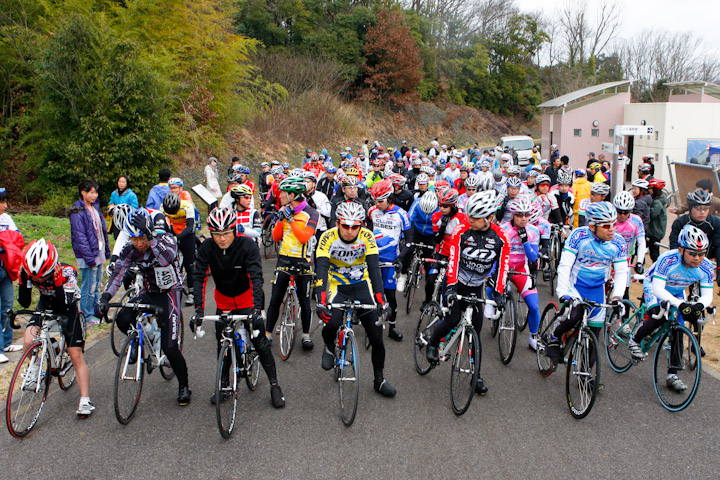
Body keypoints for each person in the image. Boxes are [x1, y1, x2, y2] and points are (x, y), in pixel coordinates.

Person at [96, 208, 191, 405]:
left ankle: (184, 385)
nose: (139, 244)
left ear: (148, 233)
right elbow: (118, 274)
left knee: (170, 347)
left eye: (142, 239)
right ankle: (146, 336)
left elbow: (167, 258)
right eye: (134, 239)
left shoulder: (165, 239)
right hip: (149, 293)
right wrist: (105, 297)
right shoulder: (130, 249)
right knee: (123, 318)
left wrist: (151, 238)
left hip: (169, 294)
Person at [192, 207, 285, 407]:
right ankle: (224, 384)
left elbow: (256, 277)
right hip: (224, 300)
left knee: (259, 342)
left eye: (226, 233)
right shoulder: (207, 247)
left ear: (235, 230)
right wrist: (198, 310)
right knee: (222, 342)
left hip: (247, 298)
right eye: (217, 234)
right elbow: (199, 278)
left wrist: (256, 309)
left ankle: (274, 385)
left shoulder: (247, 245)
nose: (222, 239)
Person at [425, 190, 510, 396]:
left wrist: (498, 294)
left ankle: (476, 375)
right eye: (469, 215)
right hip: (457, 281)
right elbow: (453, 260)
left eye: (476, 217)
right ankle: (433, 344)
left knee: (476, 333)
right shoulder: (462, 231)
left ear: (490, 218)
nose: (470, 219)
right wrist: (451, 287)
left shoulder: (500, 237)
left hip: (477, 285)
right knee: (453, 319)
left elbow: (502, 267)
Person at [315, 201, 396, 397]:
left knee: (377, 337)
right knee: (331, 323)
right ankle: (328, 346)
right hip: (338, 287)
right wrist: (321, 300)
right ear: (337, 223)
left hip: (362, 286)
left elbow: (374, 268)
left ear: (362, 225)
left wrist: (381, 300)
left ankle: (379, 380)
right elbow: (322, 269)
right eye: (345, 225)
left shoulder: (367, 237)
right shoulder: (327, 237)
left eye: (355, 226)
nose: (350, 231)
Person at [627, 225, 713, 391]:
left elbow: (707, 295)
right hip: (655, 286)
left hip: (677, 291)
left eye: (702, 254)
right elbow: (658, 289)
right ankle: (635, 340)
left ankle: (672, 374)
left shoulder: (706, 267)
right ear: (681, 250)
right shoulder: (668, 259)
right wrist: (681, 304)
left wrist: (698, 306)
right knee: (659, 315)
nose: (698, 258)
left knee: (678, 328)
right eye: (693, 254)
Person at [19, 239, 94, 416]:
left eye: (42, 276)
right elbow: (25, 302)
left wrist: (58, 284)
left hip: (67, 309)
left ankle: (85, 400)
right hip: (44, 306)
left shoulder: (68, 272)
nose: (38, 279)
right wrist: (24, 282)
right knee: (29, 340)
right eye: (34, 276)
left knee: (75, 355)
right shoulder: (28, 272)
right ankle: (36, 364)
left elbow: (63, 304)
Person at [547, 202, 627, 359]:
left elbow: (622, 271)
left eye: (613, 224)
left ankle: (586, 376)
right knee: (574, 316)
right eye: (606, 226)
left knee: (594, 335)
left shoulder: (618, 242)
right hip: (575, 286)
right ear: (592, 227)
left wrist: (617, 297)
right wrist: (563, 293)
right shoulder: (578, 236)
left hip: (597, 289)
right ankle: (554, 336)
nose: (612, 229)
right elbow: (565, 266)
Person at [265, 177, 318, 349]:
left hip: (303, 261)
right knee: (275, 299)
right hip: (284, 259)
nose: (279, 196)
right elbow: (275, 237)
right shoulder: (283, 210)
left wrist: (292, 220)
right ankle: (267, 333)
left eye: (282, 193)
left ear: (292, 195)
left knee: (304, 299)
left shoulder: (312, 213)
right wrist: (281, 219)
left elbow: (303, 238)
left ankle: (306, 335)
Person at [368, 180, 412, 340]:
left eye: (380, 201)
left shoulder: (402, 214)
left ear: (389, 198)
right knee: (370, 292)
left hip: (390, 260)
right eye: (375, 200)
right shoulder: (372, 211)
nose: (377, 204)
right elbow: (366, 231)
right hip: (372, 257)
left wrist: (401, 258)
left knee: (390, 296)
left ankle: (392, 326)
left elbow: (409, 240)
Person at [498, 198, 541, 349]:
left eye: (526, 214)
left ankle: (533, 337)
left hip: (521, 269)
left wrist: (525, 241)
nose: (523, 218)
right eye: (519, 215)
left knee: (534, 307)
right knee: (491, 290)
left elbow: (533, 257)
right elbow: (496, 254)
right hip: (503, 268)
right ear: (513, 215)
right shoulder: (503, 229)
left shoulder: (533, 231)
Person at [68, 179, 110, 324]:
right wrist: (88, 256)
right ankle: (86, 314)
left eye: (95, 192)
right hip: (87, 254)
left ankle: (95, 311)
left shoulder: (95, 208)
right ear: (83, 193)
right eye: (91, 192)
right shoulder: (77, 211)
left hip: (98, 250)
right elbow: (80, 236)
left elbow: (102, 231)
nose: (94, 195)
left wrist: (107, 250)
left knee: (97, 283)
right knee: (88, 285)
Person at [424, 188, 468, 309]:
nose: (441, 208)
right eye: (440, 205)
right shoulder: (436, 216)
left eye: (445, 206)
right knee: (430, 280)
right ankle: (427, 301)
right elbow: (437, 239)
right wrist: (443, 225)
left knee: (451, 284)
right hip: (441, 252)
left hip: (456, 254)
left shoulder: (463, 218)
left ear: (453, 206)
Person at [669, 189, 720, 285]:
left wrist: (719, 269)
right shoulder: (680, 222)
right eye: (698, 208)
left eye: (706, 208)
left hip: (704, 262)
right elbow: (673, 246)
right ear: (691, 208)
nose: (703, 212)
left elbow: (719, 247)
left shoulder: (715, 223)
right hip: (683, 263)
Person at [0, 189, 23, 361]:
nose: (5, 205)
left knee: (7, 306)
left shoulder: (6, 219)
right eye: (1, 202)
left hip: (6, 268)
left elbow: (17, 239)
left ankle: (7, 342)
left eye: (5, 201)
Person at [161, 193, 196, 305]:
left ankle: (192, 292)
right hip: (174, 231)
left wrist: (178, 238)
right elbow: (163, 226)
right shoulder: (162, 208)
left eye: (175, 211)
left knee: (189, 263)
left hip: (187, 233)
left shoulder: (187, 206)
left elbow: (190, 227)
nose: (174, 214)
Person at [647, 178, 668, 262]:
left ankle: (656, 266)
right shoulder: (658, 200)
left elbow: (652, 214)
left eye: (650, 188)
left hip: (655, 232)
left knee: (654, 252)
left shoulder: (657, 203)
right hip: (654, 230)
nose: (649, 190)